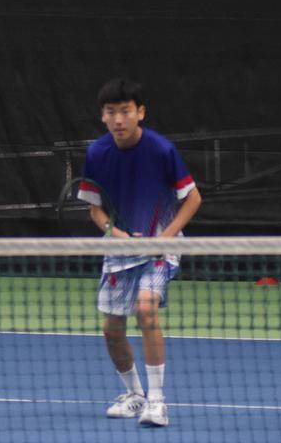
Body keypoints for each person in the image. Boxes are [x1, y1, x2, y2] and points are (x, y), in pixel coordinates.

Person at [77, 78, 201, 428]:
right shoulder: (97, 154)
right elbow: (95, 210)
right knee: (111, 330)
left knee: (146, 310)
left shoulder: (161, 150)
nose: (119, 119)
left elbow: (192, 198)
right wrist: (114, 233)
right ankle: (135, 396)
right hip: (121, 247)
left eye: (126, 111)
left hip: (161, 245)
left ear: (140, 113)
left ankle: (158, 402)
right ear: (103, 116)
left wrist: (164, 237)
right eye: (111, 112)